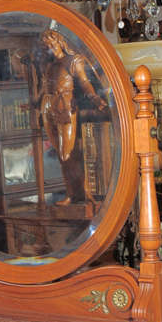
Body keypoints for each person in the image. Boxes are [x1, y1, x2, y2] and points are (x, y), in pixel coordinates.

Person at [33, 28, 106, 205]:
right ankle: (72, 194)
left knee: (68, 152)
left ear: (59, 42)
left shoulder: (73, 61)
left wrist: (96, 98)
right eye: (46, 45)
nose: (50, 47)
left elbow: (84, 83)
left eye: (52, 43)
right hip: (48, 105)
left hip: (65, 104)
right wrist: (34, 104)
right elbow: (44, 88)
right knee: (60, 154)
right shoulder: (49, 66)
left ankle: (84, 192)